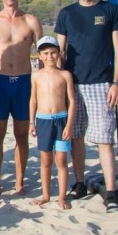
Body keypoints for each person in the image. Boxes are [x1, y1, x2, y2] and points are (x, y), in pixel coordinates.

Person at [54, 0, 118, 212]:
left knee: (104, 139)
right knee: (76, 137)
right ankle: (80, 182)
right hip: (72, 84)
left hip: (101, 83)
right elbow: (59, 52)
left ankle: (112, 190)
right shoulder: (66, 13)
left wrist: (117, 83)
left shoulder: (111, 10)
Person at [0, 0, 43, 196]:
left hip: (24, 81)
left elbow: (43, 54)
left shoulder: (31, 21)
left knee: (21, 134)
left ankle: (19, 181)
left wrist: (43, 83)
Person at [29, 35, 75, 210]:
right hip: (43, 121)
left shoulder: (65, 75)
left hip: (61, 120)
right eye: (46, 53)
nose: (50, 57)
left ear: (59, 54)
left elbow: (71, 101)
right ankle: (46, 195)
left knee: (61, 160)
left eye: (53, 53)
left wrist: (69, 124)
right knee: (46, 159)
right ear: (39, 56)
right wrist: (31, 123)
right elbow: (33, 99)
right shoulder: (36, 76)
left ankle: (62, 197)